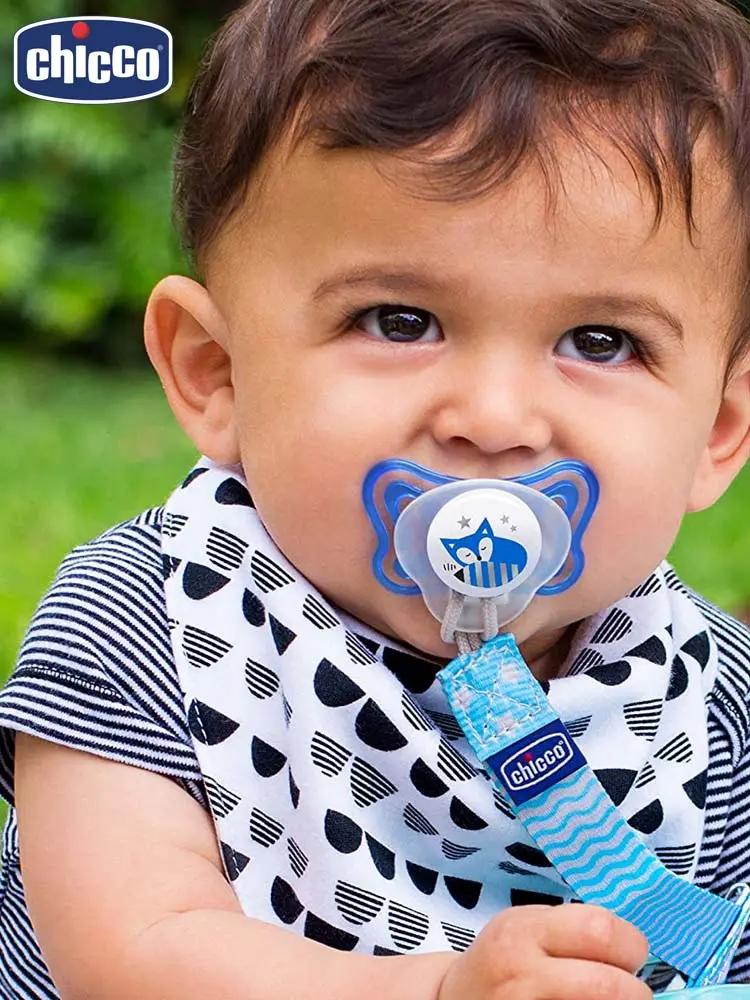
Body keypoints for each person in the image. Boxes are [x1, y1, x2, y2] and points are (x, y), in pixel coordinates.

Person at [4, 0, 750, 996]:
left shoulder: (708, 700)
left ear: (715, 432)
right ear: (217, 373)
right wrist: (434, 989)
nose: (493, 417)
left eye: (602, 341)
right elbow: (133, 952)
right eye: (399, 319)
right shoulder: (145, 624)